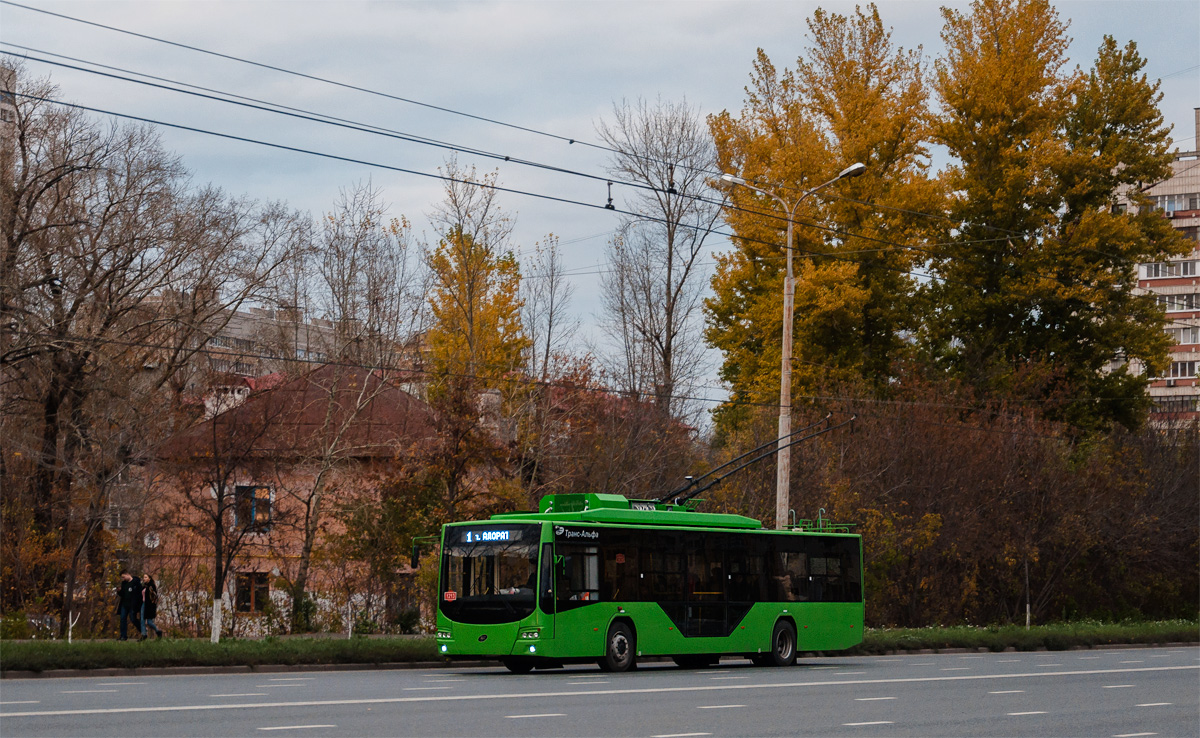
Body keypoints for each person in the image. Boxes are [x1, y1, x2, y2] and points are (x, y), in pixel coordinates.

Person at [115, 571, 142, 641]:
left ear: (128, 574)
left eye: (123, 577)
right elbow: (122, 594)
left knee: (133, 619)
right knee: (122, 619)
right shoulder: (124, 583)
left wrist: (138, 604)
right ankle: (123, 636)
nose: (123, 579)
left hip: (132, 605)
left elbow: (139, 594)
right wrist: (119, 591)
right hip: (124, 604)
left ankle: (143, 631)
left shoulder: (136, 582)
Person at [141, 573, 164, 640]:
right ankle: (143, 634)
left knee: (149, 622)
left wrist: (152, 604)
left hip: (150, 605)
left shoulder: (152, 586)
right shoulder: (144, 586)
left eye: (145, 577)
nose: (144, 578)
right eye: (143, 577)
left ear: (149, 578)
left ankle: (158, 631)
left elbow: (154, 596)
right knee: (142, 620)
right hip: (143, 603)